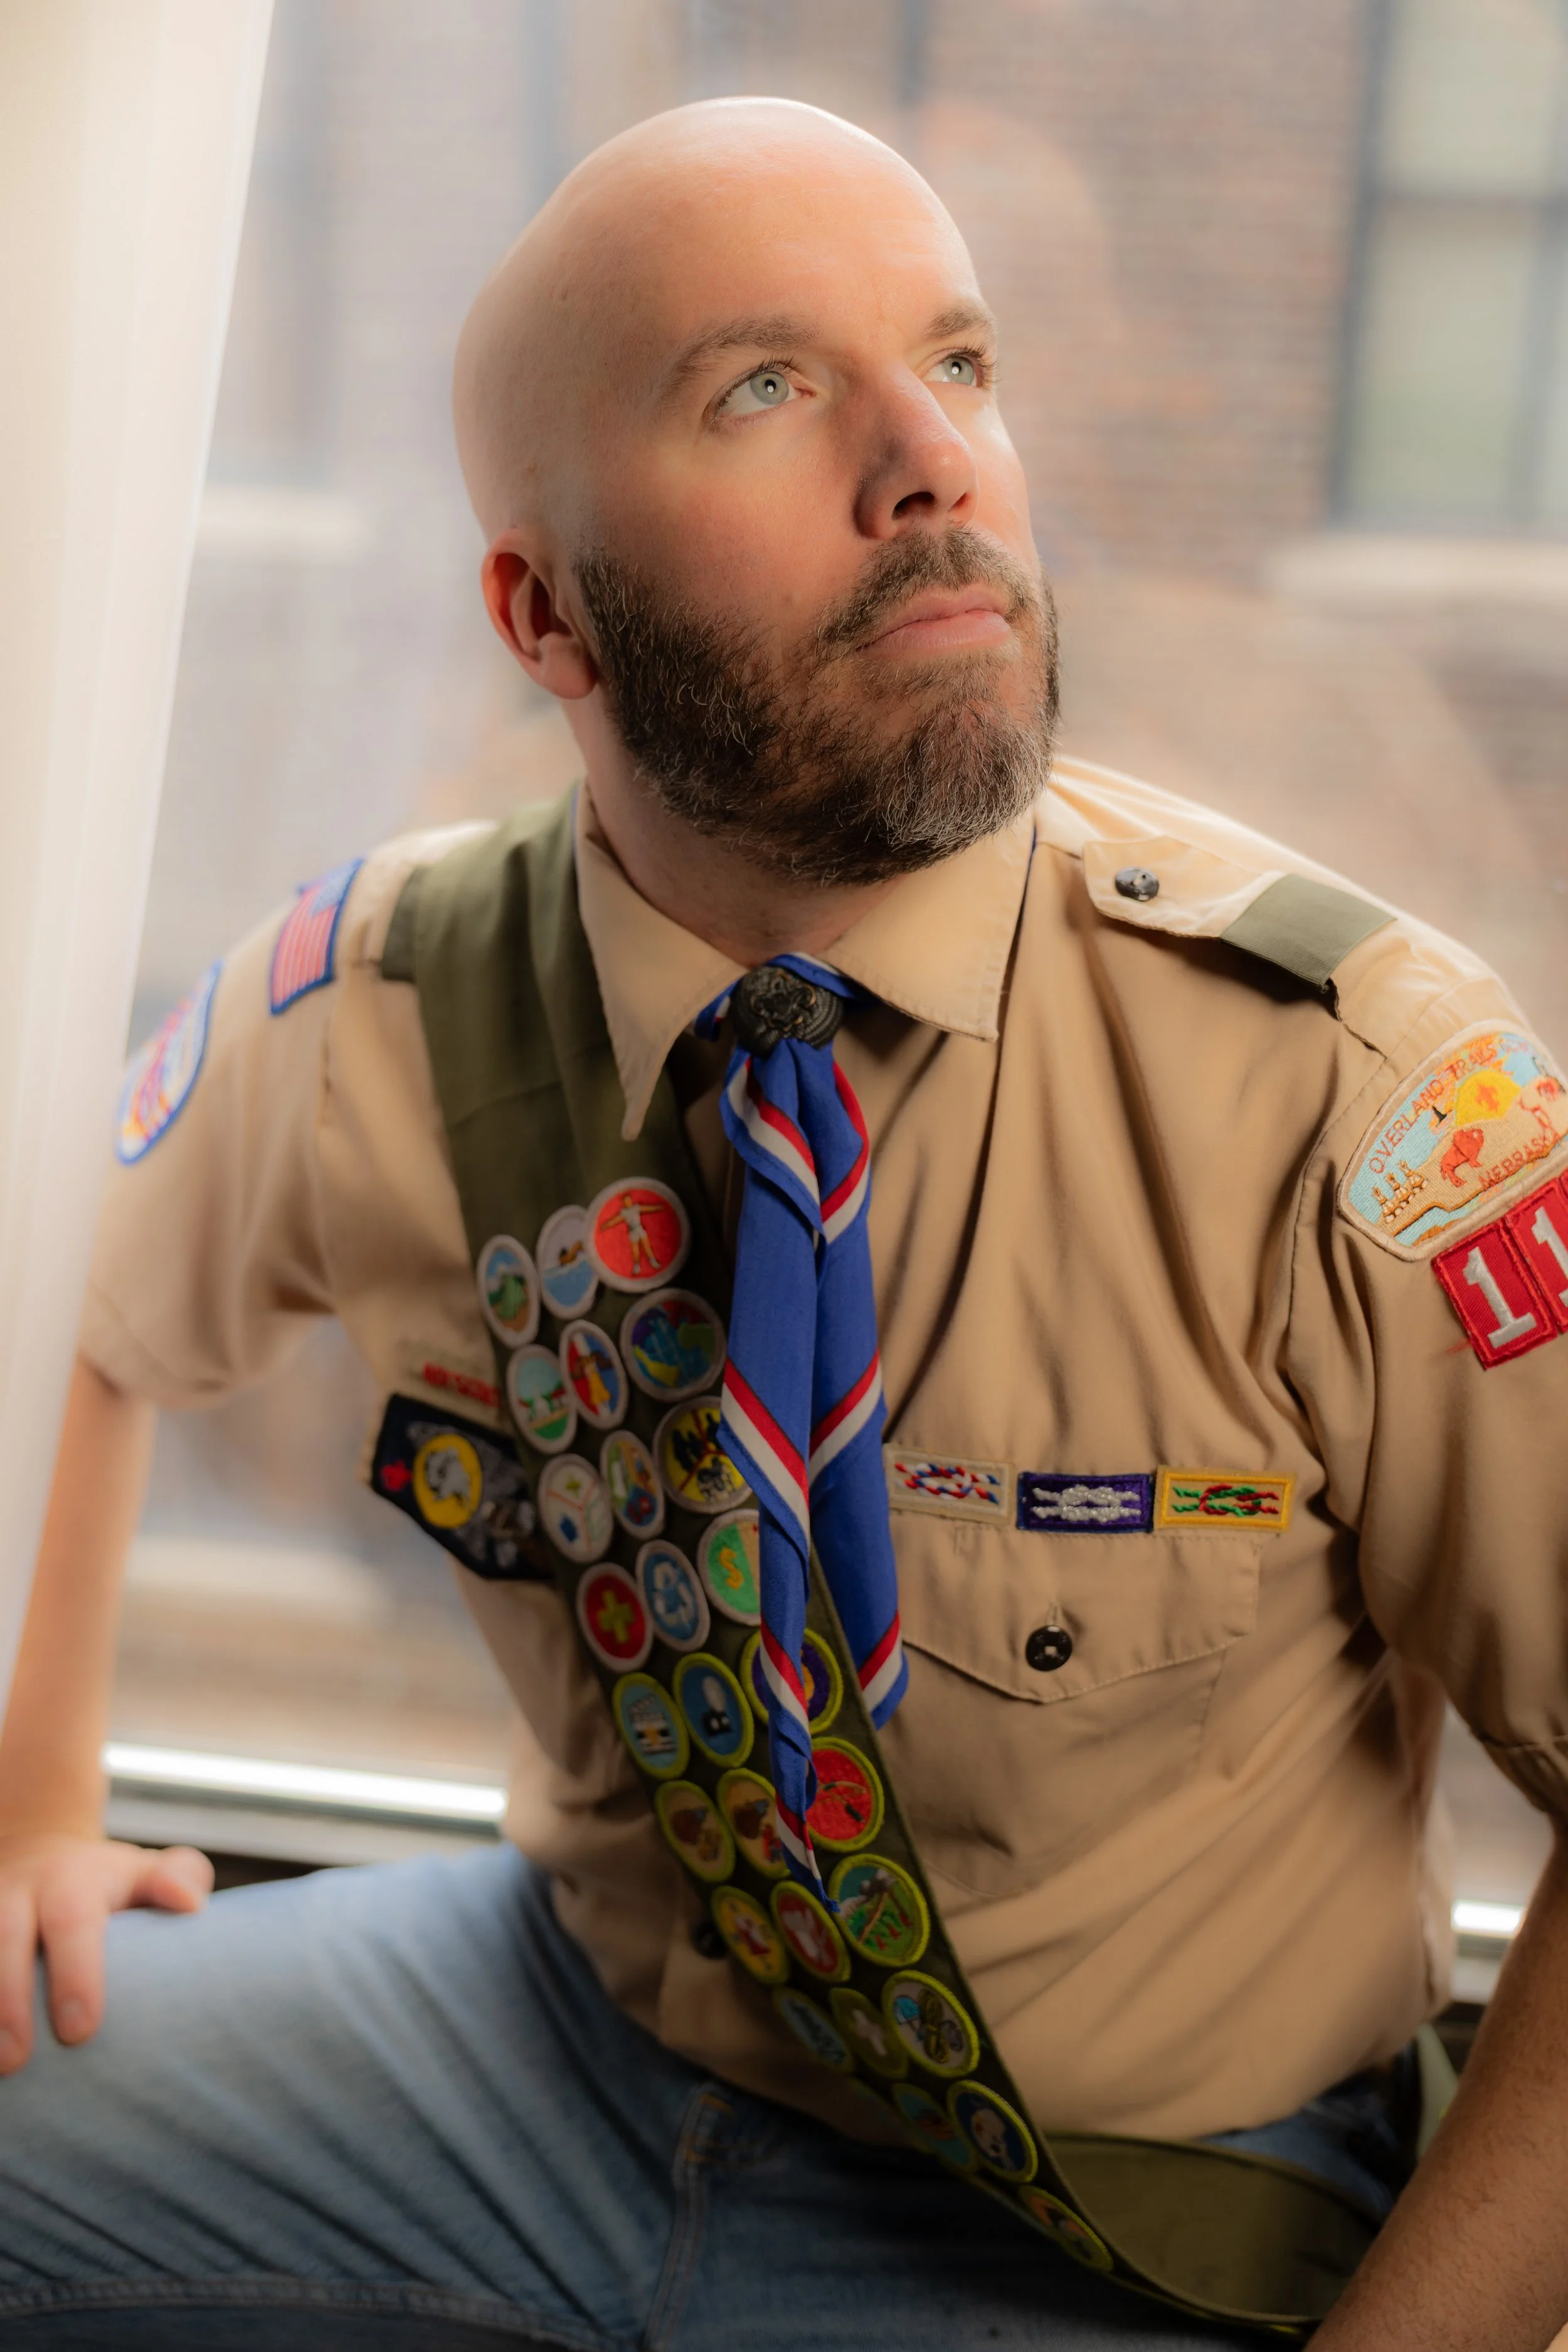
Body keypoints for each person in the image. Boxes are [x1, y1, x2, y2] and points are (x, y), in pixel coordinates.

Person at [0, 94, 1564, 2352]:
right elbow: (71, 1306)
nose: (933, 461)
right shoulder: (385, 1002)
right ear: (545, 609)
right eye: (763, 386)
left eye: (963, 362)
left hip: (1130, 2193)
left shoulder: (1348, 1081)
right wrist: (38, 1797)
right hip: (536, 2052)